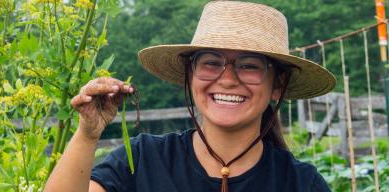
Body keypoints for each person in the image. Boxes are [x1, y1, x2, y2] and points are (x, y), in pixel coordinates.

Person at [45, 1, 335, 192]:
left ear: (277, 84)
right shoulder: (142, 161)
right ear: (190, 74)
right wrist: (87, 135)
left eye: (249, 66)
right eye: (211, 62)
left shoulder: (301, 183)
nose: (228, 79)